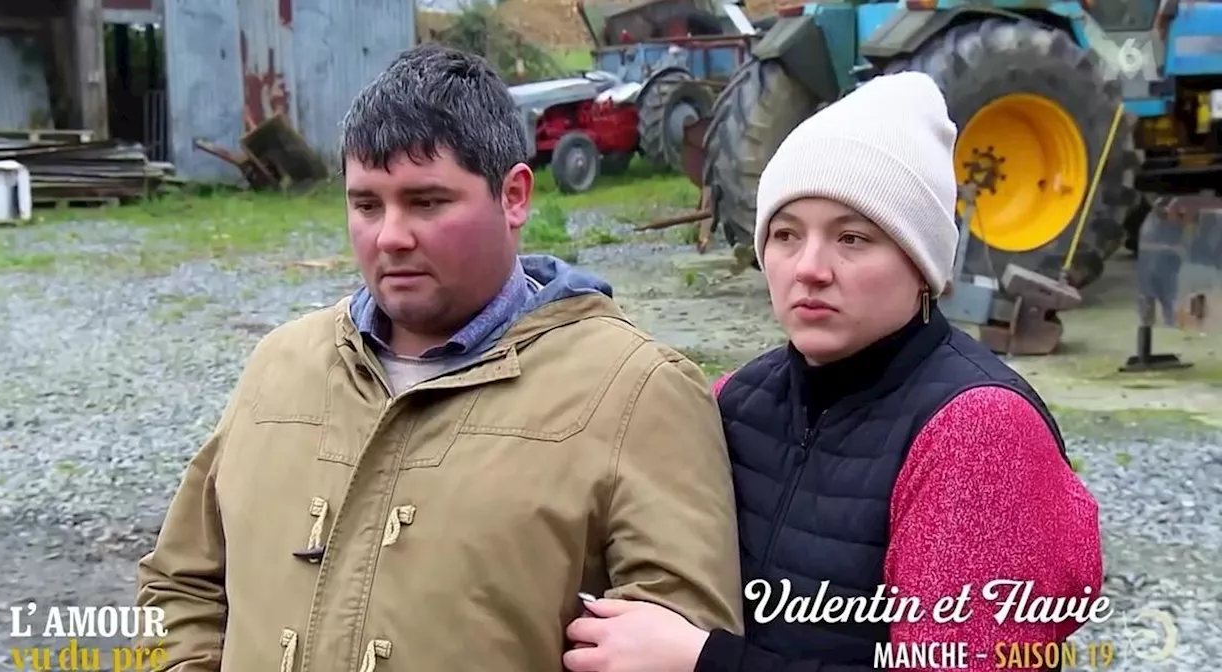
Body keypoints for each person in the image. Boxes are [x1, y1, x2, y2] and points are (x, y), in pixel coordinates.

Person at [135, 44, 744, 672]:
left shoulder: (637, 390)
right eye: (366, 204)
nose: (391, 236)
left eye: (426, 202)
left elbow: (679, 648)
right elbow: (178, 583)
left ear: (513, 197)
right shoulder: (280, 364)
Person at [562, 72, 1103, 671]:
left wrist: (703, 662)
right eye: (787, 235)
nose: (810, 268)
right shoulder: (735, 399)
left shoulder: (980, 434)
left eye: (852, 237)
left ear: (923, 267)